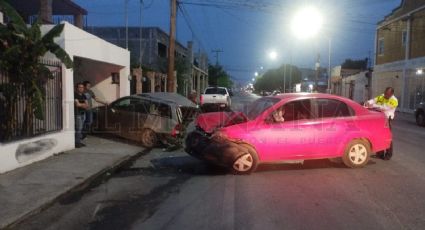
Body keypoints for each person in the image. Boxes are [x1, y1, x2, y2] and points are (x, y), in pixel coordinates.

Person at [365, 86, 398, 160]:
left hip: (387, 119)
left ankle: (388, 154)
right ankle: (379, 153)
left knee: (387, 136)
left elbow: (384, 107)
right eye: (385, 93)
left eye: (387, 94)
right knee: (378, 135)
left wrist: (373, 105)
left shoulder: (394, 100)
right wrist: (369, 102)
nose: (385, 95)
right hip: (379, 118)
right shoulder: (382, 96)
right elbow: (374, 100)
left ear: (391, 94)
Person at [74, 82, 89, 148]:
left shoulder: (84, 95)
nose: (81, 89)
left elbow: (87, 105)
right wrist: (83, 105)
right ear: (77, 88)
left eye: (82, 87)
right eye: (80, 87)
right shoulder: (75, 95)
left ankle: (79, 141)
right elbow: (77, 104)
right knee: (78, 129)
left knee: (81, 128)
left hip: (83, 113)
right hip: (78, 114)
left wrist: (81, 105)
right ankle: (77, 143)